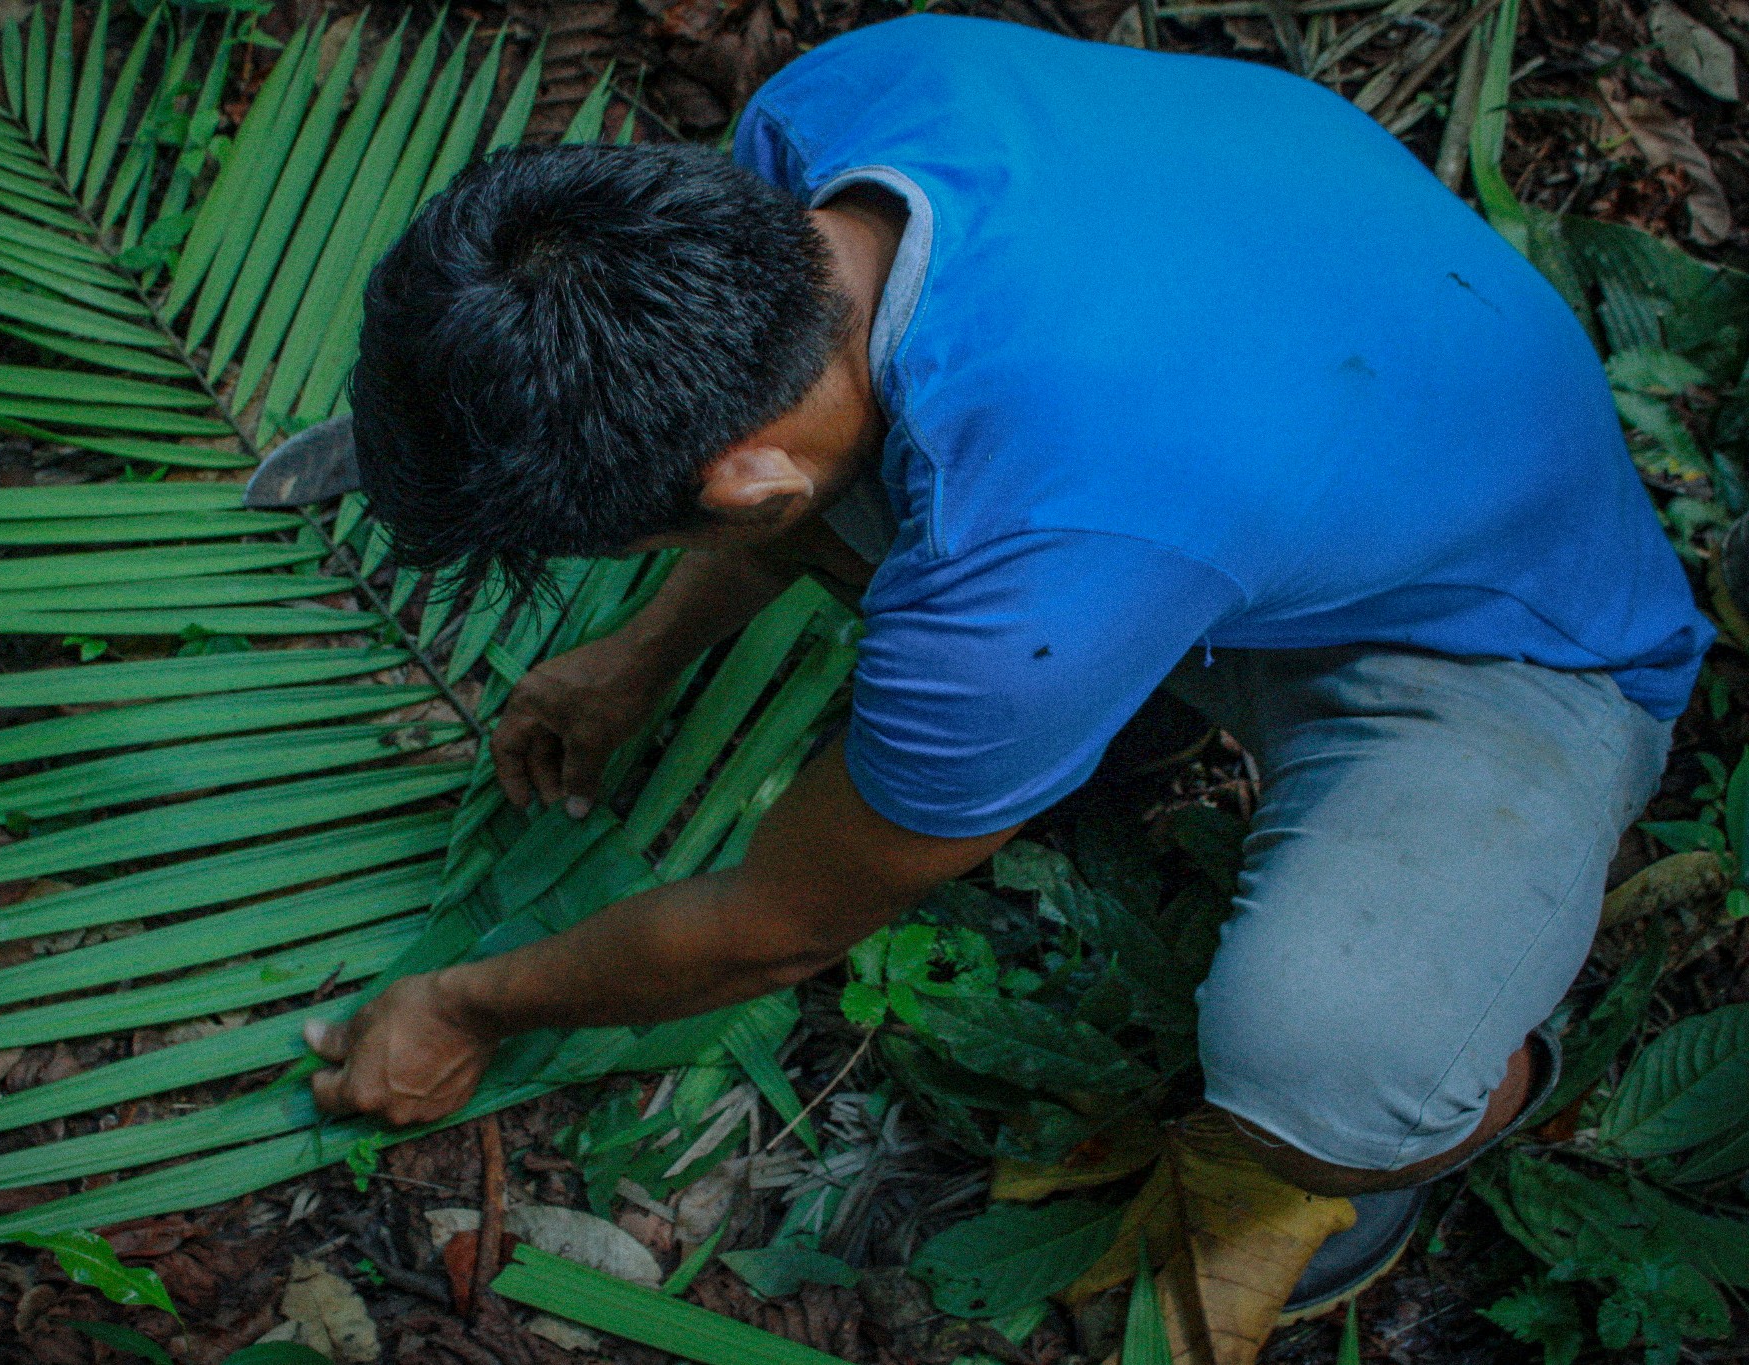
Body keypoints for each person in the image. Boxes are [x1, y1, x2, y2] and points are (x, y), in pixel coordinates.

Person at [306, 13, 1712, 1312]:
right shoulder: (832, 122)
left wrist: (463, 1000)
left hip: (1509, 626)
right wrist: (643, 648)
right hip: (1353, 371)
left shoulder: (1023, 564)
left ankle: (1429, 1103)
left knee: (1321, 1055)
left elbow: (779, 921)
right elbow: (794, 452)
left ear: (745, 484)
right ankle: (1139, 696)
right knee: (979, 561)